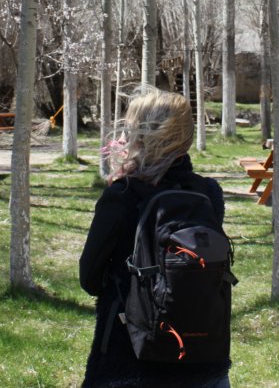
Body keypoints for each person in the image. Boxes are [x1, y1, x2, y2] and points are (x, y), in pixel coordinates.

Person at [79, 89, 231, 388]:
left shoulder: (122, 195)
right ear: (186, 137)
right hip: (203, 357)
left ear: (137, 135)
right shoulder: (208, 193)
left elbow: (90, 279)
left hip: (129, 361)